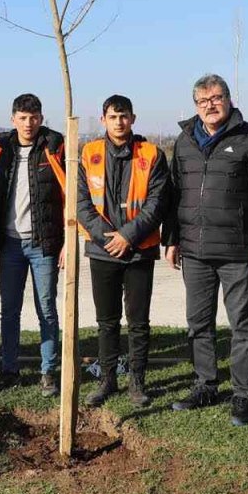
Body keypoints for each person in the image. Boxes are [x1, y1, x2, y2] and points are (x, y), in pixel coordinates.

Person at [164, 74, 248, 426]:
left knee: (242, 326)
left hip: (237, 252)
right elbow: (174, 195)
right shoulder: (184, 142)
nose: (210, 105)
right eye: (202, 101)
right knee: (198, 324)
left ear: (228, 99)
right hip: (195, 251)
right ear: (195, 105)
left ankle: (243, 395)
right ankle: (205, 385)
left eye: (216, 98)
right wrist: (171, 239)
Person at [76, 95, 169, 408]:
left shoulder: (152, 154)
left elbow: (157, 203)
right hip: (103, 252)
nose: (119, 122)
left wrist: (127, 236)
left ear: (133, 118)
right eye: (113, 117)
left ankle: (137, 382)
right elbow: (82, 204)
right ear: (103, 119)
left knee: (138, 321)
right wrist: (108, 239)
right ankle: (106, 380)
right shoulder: (88, 153)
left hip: (139, 249)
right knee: (106, 321)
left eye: (124, 116)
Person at [0, 93, 66, 397]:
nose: (28, 123)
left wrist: (67, 244)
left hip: (43, 245)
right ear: (13, 118)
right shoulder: (1, 150)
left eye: (34, 117)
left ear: (41, 119)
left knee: (47, 310)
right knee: (9, 311)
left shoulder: (55, 147)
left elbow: (69, 197)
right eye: (22, 117)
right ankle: (9, 369)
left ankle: (48, 372)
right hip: (10, 246)